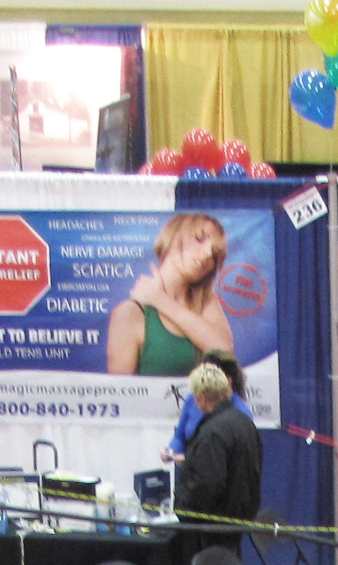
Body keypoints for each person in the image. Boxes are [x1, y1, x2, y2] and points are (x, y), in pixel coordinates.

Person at [105, 213, 235, 375]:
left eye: (215, 252)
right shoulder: (131, 313)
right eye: (200, 239)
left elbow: (224, 350)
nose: (208, 253)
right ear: (172, 237)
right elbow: (122, 393)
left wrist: (159, 300)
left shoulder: (205, 300)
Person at [175, 360, 262, 539]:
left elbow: (208, 484)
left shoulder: (212, 433)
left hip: (211, 527)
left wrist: (184, 507)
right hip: (238, 521)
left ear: (201, 397)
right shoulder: (244, 422)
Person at [163, 352, 246, 466]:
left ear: (228, 380)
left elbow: (231, 457)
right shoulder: (192, 399)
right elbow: (180, 435)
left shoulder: (240, 412)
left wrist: (191, 461)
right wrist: (171, 450)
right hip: (190, 476)